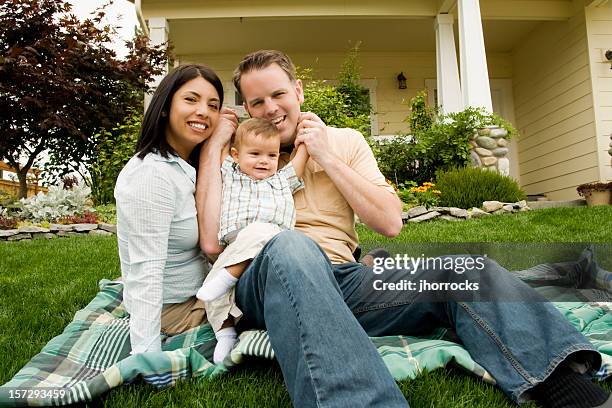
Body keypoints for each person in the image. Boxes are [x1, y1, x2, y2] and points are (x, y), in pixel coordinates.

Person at [197, 50, 610, 408]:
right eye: (257, 102)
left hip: (345, 281)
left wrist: (326, 155)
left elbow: (390, 223)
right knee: (291, 245)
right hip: (265, 279)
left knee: (467, 270)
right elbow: (212, 242)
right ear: (247, 110)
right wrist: (215, 148)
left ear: (299, 91)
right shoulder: (236, 157)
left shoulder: (344, 141)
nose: (270, 108)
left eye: (278, 94)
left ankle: (564, 385)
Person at [114, 64, 238, 354]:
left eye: (213, 105)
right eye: (191, 99)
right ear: (166, 106)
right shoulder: (151, 175)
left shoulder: (186, 167)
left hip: (201, 292)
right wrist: (146, 355)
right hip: (174, 310)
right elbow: (147, 270)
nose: (203, 112)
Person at [195, 117, 309, 364]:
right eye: (255, 153)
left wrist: (306, 139)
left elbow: (300, 160)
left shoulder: (280, 180)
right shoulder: (231, 173)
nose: (264, 161)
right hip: (237, 246)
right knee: (213, 292)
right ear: (236, 155)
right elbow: (221, 149)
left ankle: (229, 276)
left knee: (260, 231)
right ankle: (225, 333)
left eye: (271, 155)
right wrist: (225, 127)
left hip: (271, 244)